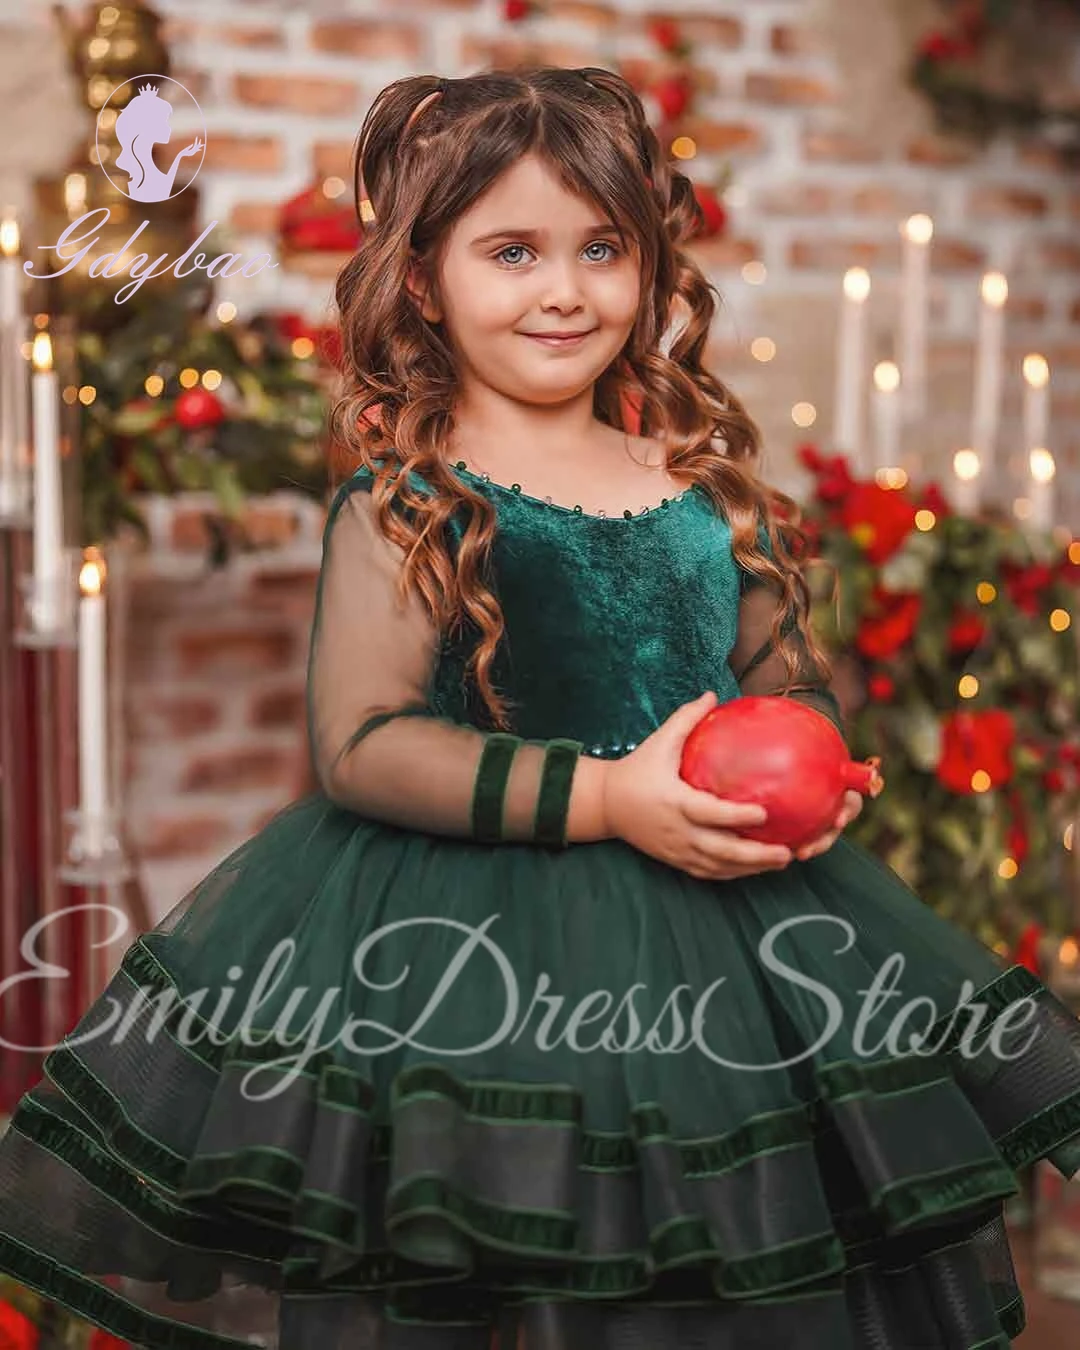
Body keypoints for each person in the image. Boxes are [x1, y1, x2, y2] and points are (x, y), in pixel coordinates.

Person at [0, 66, 1078, 1350]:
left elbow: (783, 678)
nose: (565, 290)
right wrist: (614, 793)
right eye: (513, 251)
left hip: (728, 944)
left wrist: (815, 765)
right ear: (423, 280)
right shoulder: (414, 500)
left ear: (649, 267)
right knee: (493, 1245)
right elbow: (361, 743)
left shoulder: (699, 485)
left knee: (708, 1264)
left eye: (602, 249)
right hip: (470, 960)